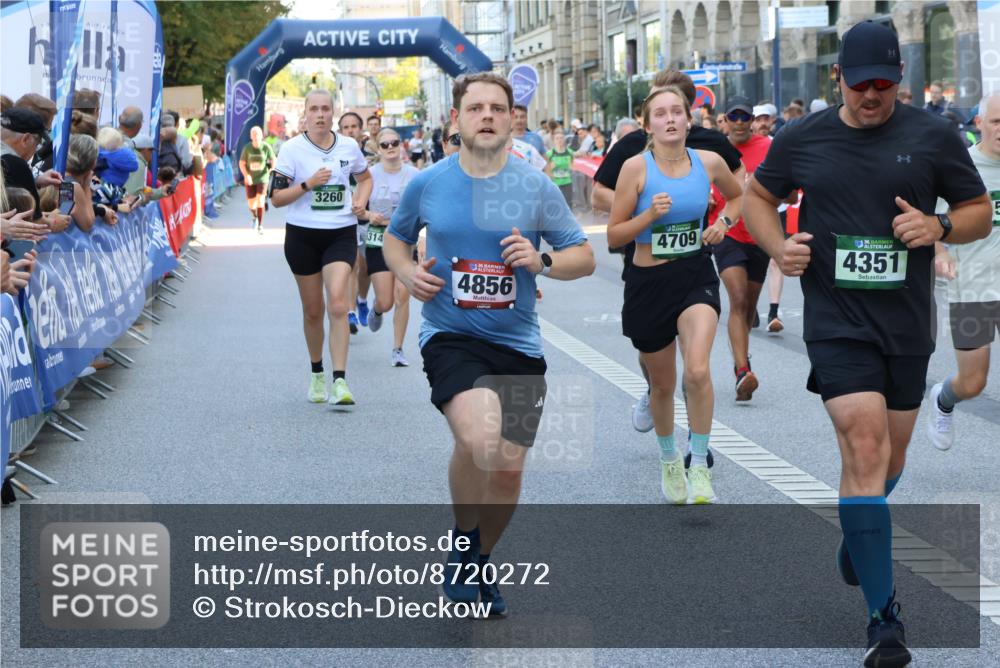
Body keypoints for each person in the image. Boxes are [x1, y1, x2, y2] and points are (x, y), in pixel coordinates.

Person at [742, 21, 991, 667]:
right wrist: (778, 245)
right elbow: (757, 198)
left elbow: (978, 212)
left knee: (889, 459)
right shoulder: (805, 137)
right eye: (861, 85)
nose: (872, 95)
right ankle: (885, 621)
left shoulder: (932, 135)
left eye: (884, 84)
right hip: (836, 318)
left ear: (900, 80)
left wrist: (937, 224)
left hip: (906, 325)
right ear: (839, 80)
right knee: (865, 441)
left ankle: (861, 531)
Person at [383, 72, 594, 617]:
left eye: (497, 108)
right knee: (481, 439)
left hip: (519, 345)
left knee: (507, 470)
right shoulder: (427, 183)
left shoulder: (535, 186)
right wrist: (407, 274)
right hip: (451, 334)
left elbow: (583, 256)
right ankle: (465, 540)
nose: (487, 116)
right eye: (475, 107)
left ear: (511, 118)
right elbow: (395, 240)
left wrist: (542, 259)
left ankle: (475, 558)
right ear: (456, 119)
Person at [591, 69, 743, 450]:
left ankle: (700, 455)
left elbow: (738, 193)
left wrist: (723, 222)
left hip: (695, 273)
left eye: (677, 111)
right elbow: (612, 231)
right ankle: (670, 457)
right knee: (662, 383)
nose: (670, 118)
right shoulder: (632, 162)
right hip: (647, 279)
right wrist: (648, 216)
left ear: (689, 117)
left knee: (696, 369)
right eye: (660, 112)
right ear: (647, 123)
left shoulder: (708, 158)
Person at [269, 90, 373, 406]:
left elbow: (365, 178)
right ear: (305, 114)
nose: (320, 115)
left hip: (340, 233)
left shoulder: (349, 146)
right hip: (302, 236)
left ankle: (340, 381)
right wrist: (308, 184)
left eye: (325, 109)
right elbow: (275, 199)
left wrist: (360, 200)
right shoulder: (291, 149)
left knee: (338, 302)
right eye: (314, 109)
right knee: (314, 310)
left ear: (333, 113)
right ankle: (317, 373)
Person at [927, 93, 1000, 451]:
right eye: (997, 122)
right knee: (973, 382)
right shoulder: (964, 168)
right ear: (979, 124)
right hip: (973, 286)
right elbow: (935, 222)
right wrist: (941, 253)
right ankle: (943, 399)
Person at [709, 96, 777, 401]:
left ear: (752, 120)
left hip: (760, 234)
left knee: (748, 307)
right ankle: (742, 370)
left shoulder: (768, 147)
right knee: (736, 299)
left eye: (744, 117)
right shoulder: (714, 150)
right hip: (727, 232)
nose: (739, 123)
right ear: (724, 119)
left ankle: (743, 358)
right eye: (733, 117)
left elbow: (786, 186)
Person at [363, 128, 419, 366]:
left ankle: (398, 349)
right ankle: (375, 309)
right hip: (378, 239)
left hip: (406, 241)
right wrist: (369, 215)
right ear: (378, 148)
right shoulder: (369, 175)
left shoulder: (415, 175)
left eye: (394, 142)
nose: (390, 147)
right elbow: (357, 208)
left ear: (401, 145)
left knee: (402, 295)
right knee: (385, 301)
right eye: (384, 145)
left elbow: (426, 209)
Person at [338, 111, 373, 333]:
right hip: (346, 217)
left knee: (365, 267)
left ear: (361, 130)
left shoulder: (372, 155)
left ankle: (361, 299)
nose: (350, 130)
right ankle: (350, 312)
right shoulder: (336, 153)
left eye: (354, 126)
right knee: (353, 264)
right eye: (346, 127)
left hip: (369, 215)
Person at [239, 126, 276, 233]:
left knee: (260, 200)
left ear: (262, 136)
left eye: (258, 134)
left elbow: (273, 158)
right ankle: (254, 216)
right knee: (251, 203)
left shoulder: (266, 147)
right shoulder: (247, 148)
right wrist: (246, 175)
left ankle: (260, 225)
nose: (256, 136)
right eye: (254, 134)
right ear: (251, 136)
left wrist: (272, 169)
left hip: (263, 177)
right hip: (250, 178)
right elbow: (242, 163)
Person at [544, 129, 573, 206]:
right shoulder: (549, 154)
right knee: (556, 204)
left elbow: (574, 166)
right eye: (557, 138)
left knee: (568, 203)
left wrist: (571, 168)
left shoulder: (570, 152)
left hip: (567, 182)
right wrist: (551, 167)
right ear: (553, 141)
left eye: (561, 138)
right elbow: (545, 170)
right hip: (555, 183)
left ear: (564, 140)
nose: (559, 140)